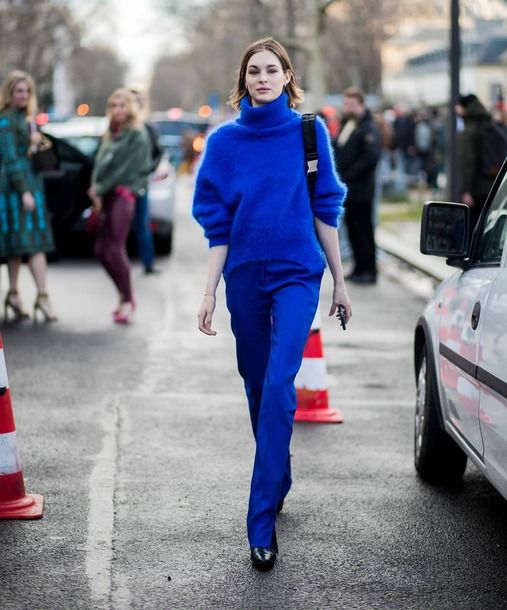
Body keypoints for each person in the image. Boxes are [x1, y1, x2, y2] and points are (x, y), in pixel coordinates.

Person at [192, 37, 350, 571]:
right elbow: (217, 227)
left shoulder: (309, 133)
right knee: (258, 385)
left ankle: (260, 523)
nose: (262, 78)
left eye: (271, 70)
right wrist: (210, 291)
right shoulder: (223, 144)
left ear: (286, 76)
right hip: (244, 277)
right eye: (253, 71)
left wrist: (340, 282)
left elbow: (326, 208)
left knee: (281, 383)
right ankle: (277, 472)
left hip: (297, 274)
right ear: (244, 81)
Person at [88, 88, 150, 324]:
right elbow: (99, 166)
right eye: (114, 106)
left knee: (114, 248)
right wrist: (95, 187)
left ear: (130, 108)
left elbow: (126, 170)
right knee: (101, 251)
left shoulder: (136, 134)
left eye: (122, 105)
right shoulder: (110, 133)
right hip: (106, 197)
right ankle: (123, 294)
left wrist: (100, 189)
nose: (118, 110)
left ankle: (128, 299)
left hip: (123, 196)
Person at [0, 70, 57, 322]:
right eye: (19, 91)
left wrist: (35, 141)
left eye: (27, 91)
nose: (23, 95)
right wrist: (24, 191)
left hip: (31, 184)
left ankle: (15, 294)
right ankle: (41, 297)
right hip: (16, 189)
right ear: (10, 93)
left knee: (20, 245)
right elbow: (10, 160)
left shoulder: (26, 119)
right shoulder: (6, 121)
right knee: (30, 244)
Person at [334, 87, 382, 284]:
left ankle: (369, 270)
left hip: (361, 188)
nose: (348, 108)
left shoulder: (369, 127)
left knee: (364, 230)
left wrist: (347, 175)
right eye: (346, 104)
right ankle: (358, 267)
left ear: (361, 104)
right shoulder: (348, 124)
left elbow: (370, 157)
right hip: (349, 188)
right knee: (352, 229)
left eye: (352, 104)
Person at [456, 93, 504, 228]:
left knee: (474, 228)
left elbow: (468, 161)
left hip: (477, 189)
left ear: (464, 108)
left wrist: (465, 190)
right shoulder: (492, 126)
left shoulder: (469, 130)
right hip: (495, 184)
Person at [129, 87, 162, 274]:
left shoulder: (149, 127)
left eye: (141, 99)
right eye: (134, 99)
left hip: (141, 184)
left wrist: (148, 170)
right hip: (122, 185)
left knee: (142, 224)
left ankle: (148, 263)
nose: (138, 102)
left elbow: (158, 153)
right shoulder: (120, 126)